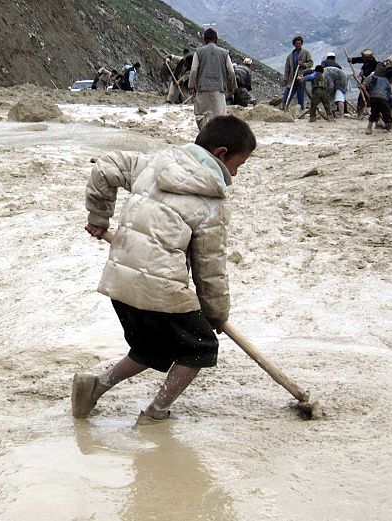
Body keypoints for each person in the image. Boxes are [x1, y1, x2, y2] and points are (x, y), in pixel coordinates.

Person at [74, 115, 256, 425]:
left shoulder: (156, 163)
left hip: (119, 281)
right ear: (221, 153)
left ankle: (95, 386)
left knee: (153, 347)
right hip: (158, 290)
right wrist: (215, 315)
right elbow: (209, 269)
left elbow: (106, 166)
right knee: (201, 347)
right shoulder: (213, 204)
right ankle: (155, 413)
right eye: (238, 165)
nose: (235, 175)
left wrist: (99, 217)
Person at [188, 28, 237, 130]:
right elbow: (231, 72)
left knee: (202, 116)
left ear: (205, 39)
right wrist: (233, 87)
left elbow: (193, 71)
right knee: (220, 118)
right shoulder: (224, 53)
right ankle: (218, 141)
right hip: (219, 90)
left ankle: (204, 137)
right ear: (216, 39)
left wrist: (191, 86)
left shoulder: (198, 52)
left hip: (202, 90)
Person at [282, 36, 313, 110]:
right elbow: (287, 68)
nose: (298, 44)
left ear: (302, 44)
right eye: (296, 43)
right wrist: (286, 78)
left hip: (301, 78)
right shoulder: (290, 56)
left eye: (299, 43)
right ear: (294, 44)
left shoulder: (306, 53)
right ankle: (284, 107)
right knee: (287, 93)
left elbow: (311, 63)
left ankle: (301, 109)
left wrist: (303, 64)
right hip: (292, 78)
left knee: (301, 95)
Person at [363, 66, 392, 134]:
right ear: (391, 78)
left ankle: (369, 128)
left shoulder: (376, 78)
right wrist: (387, 104)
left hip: (373, 97)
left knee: (374, 113)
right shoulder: (388, 83)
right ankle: (389, 127)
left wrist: (364, 85)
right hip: (383, 99)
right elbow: (388, 95)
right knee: (386, 114)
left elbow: (369, 79)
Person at [348, 49, 378, 115]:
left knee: (365, 97)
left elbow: (370, 75)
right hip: (365, 82)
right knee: (363, 97)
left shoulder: (373, 64)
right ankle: (362, 111)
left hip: (369, 83)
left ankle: (363, 111)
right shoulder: (367, 60)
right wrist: (352, 60)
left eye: (363, 57)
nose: (362, 58)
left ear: (367, 57)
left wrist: (363, 78)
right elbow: (360, 59)